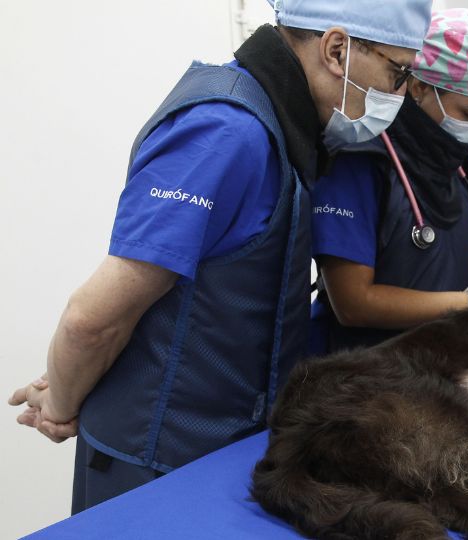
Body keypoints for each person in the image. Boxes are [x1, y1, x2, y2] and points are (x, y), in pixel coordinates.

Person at [7, 0, 432, 512]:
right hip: (158, 464)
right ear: (337, 49)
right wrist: (59, 403)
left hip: (224, 449)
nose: (400, 94)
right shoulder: (227, 131)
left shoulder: (283, 124)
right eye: (398, 72)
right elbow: (92, 320)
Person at [311, 8, 468, 352]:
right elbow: (353, 303)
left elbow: (448, 245)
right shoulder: (359, 160)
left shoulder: (453, 153)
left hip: (439, 358)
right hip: (368, 369)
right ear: (420, 86)